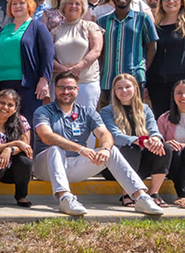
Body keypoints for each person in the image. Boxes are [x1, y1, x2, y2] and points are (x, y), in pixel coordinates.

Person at [33, 72, 163, 217]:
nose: (66, 92)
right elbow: (46, 136)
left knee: (111, 150)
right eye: (61, 87)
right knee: (55, 149)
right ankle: (65, 198)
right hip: (45, 167)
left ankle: (141, 197)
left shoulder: (87, 112)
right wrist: (80, 149)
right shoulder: (43, 111)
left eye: (70, 88)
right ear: (55, 89)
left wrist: (105, 149)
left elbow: (104, 134)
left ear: (77, 90)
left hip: (75, 165)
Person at [100, 74, 171, 207]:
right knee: (131, 148)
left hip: (140, 165)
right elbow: (114, 136)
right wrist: (140, 141)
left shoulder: (145, 109)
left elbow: (153, 129)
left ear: (136, 89)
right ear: (114, 91)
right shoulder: (106, 112)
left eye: (128, 87)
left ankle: (154, 193)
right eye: (119, 88)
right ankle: (127, 194)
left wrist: (155, 138)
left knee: (164, 147)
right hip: (115, 166)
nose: (124, 91)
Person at [0, 0, 53, 125]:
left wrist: (44, 79)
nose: (17, 6)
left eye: (21, 3)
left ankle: (28, 147)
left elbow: (48, 53)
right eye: (14, 4)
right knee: (6, 122)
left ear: (29, 6)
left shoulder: (37, 27)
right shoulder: (3, 30)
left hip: (28, 84)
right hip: (3, 84)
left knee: (28, 121)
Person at [97, 0, 157, 106]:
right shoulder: (102, 21)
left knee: (134, 115)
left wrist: (143, 68)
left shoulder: (143, 18)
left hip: (134, 77)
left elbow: (152, 47)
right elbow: (99, 50)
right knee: (110, 116)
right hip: (109, 78)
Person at [51, 0, 102, 110]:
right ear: (64, 7)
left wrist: (78, 67)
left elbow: (96, 50)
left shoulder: (91, 27)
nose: (74, 6)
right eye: (70, 3)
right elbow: (48, 56)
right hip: (60, 83)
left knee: (86, 120)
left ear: (83, 8)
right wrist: (63, 70)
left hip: (86, 82)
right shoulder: (55, 31)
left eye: (77, 4)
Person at [147, 0, 185, 118]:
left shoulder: (184, 27)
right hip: (157, 83)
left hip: (181, 83)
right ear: (161, 2)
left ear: (181, 1)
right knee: (162, 119)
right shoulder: (154, 27)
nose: (171, 1)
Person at [157, 80, 185, 208]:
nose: (183, 97)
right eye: (179, 93)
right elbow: (157, 140)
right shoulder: (164, 118)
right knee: (175, 151)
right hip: (174, 162)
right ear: (173, 96)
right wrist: (167, 143)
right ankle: (182, 195)